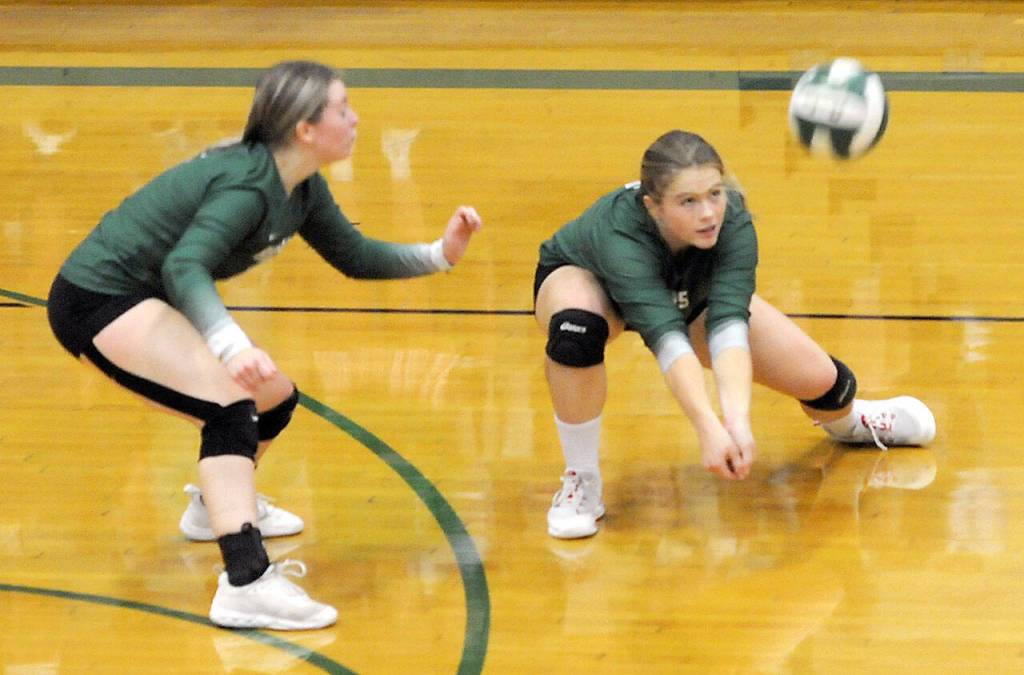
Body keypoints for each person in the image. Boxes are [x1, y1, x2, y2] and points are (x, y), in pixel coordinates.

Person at [46, 60, 483, 629]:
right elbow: (185, 265)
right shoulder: (248, 187)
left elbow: (352, 255)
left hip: (148, 294)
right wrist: (230, 346)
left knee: (274, 400)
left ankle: (212, 509)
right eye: (342, 108)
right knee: (231, 404)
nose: (355, 119)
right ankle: (245, 583)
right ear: (305, 129)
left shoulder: (298, 185)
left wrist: (438, 254)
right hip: (98, 298)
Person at [533, 129, 934, 539]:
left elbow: (728, 326)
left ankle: (851, 422)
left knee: (824, 381)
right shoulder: (621, 235)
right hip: (589, 281)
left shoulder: (734, 222)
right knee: (576, 331)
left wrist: (738, 421)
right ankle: (581, 481)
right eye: (688, 201)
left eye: (714, 194)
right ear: (653, 207)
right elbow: (668, 341)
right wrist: (709, 428)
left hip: (688, 290)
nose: (708, 213)